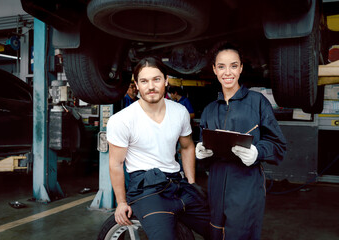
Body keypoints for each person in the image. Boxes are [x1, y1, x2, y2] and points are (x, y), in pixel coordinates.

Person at [107, 57, 210, 240]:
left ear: (166, 80)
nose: (151, 86)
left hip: (177, 184)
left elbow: (186, 147)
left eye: (156, 79)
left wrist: (192, 183)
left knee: (221, 230)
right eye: (144, 81)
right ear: (137, 85)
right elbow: (116, 163)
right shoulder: (121, 120)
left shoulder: (180, 112)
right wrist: (121, 202)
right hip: (146, 190)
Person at [195, 42, 287, 240]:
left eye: (233, 66)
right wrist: (201, 152)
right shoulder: (210, 109)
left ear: (241, 68)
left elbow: (279, 145)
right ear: (214, 69)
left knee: (240, 233)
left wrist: (257, 152)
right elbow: (204, 153)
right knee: (216, 232)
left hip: (246, 183)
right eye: (221, 66)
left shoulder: (257, 102)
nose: (228, 72)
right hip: (217, 182)